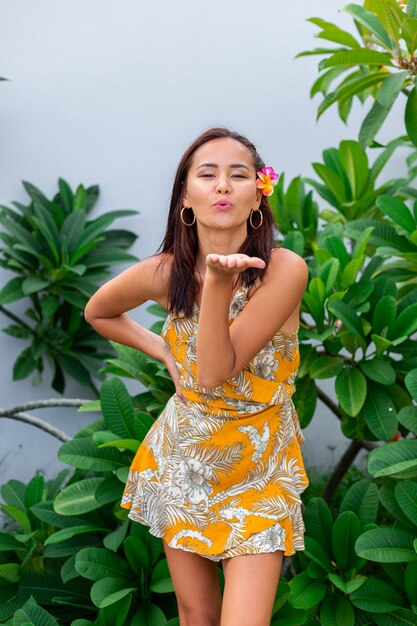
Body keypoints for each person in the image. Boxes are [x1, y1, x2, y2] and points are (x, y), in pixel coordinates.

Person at [84, 127, 309, 626]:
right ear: (187, 196)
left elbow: (213, 370)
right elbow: (98, 312)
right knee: (197, 615)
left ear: (258, 195)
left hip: (260, 466)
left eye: (239, 175)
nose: (223, 185)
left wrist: (221, 282)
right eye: (207, 175)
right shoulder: (166, 272)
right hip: (186, 457)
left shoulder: (284, 270)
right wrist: (163, 350)